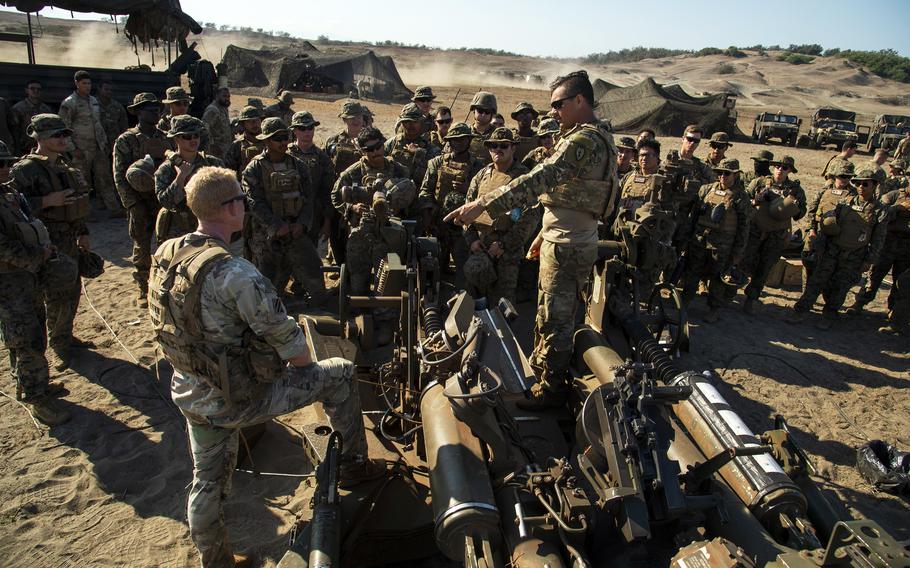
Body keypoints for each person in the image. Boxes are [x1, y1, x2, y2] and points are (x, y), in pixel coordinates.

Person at [149, 166, 383, 568]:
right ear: (229, 209)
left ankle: (216, 560)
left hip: (190, 392)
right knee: (341, 371)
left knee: (206, 483)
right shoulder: (237, 274)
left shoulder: (168, 252)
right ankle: (354, 466)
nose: (245, 205)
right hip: (238, 399)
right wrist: (302, 366)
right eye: (241, 199)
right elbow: (295, 349)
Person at [445, 70, 617, 409]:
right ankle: (549, 375)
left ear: (580, 100)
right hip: (564, 237)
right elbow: (570, 197)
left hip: (568, 244)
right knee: (553, 311)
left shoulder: (584, 140)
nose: (552, 111)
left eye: (558, 103)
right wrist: (541, 233)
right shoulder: (595, 135)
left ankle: (550, 392)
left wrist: (484, 204)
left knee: (555, 317)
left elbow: (544, 178)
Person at [0, 141, 76, 425]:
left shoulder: (9, 193)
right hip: (8, 282)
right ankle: (36, 398)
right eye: (1, 164)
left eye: (8, 162)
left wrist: (45, 250)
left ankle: (33, 383)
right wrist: (36, 255)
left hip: (27, 277)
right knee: (25, 337)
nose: (7, 168)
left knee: (33, 330)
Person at [9, 114, 93, 370]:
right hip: (45, 241)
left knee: (72, 289)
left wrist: (83, 231)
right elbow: (14, 210)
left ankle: (64, 336)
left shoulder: (65, 166)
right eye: (57, 135)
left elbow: (77, 203)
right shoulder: (24, 170)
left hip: (69, 236)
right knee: (53, 294)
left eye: (64, 134)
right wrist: (46, 201)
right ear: (40, 138)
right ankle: (56, 344)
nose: (62, 139)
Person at [788, 166, 889, 329]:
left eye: (866, 184)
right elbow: (828, 224)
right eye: (858, 184)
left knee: (840, 286)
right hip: (833, 249)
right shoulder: (844, 203)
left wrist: (869, 260)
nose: (861, 188)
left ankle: (829, 314)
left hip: (855, 255)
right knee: (817, 280)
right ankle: (801, 310)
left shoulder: (879, 211)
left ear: (875, 185)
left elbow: (879, 238)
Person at [241, 118, 328, 305]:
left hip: (295, 231)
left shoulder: (299, 166)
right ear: (266, 141)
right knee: (266, 283)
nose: (283, 142)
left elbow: (308, 200)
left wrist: (302, 225)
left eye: (285, 137)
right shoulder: (254, 169)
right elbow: (254, 202)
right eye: (277, 138)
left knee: (313, 272)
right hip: (266, 234)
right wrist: (275, 225)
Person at [332, 127, 411, 294]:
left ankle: (386, 311)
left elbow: (410, 196)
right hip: (361, 232)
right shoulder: (352, 172)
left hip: (391, 232)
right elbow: (335, 195)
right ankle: (359, 306)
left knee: (389, 280)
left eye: (378, 146)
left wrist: (396, 205)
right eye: (370, 149)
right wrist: (352, 207)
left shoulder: (399, 169)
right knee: (358, 280)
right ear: (362, 151)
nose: (376, 152)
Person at [112, 93, 173, 307]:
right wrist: (131, 204)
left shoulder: (166, 138)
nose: (155, 113)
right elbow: (119, 175)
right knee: (142, 245)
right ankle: (143, 288)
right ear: (138, 112)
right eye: (149, 110)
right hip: (140, 201)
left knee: (167, 244)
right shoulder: (127, 140)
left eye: (157, 109)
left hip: (163, 200)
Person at [462, 128, 534, 304]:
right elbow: (466, 210)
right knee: (474, 303)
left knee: (502, 306)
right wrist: (472, 240)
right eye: (494, 146)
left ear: (513, 149)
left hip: (506, 255)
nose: (498, 149)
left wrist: (504, 245)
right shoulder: (481, 176)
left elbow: (529, 219)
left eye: (504, 146)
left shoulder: (523, 178)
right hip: (479, 250)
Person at [681, 158, 751, 322]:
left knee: (718, 278)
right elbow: (694, 216)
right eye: (720, 173)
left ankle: (714, 308)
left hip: (722, 246)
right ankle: (685, 302)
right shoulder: (706, 190)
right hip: (700, 241)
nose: (723, 177)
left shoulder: (740, 198)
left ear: (735, 175)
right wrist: (687, 239)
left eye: (727, 174)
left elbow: (744, 228)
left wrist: (738, 252)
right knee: (692, 272)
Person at [417, 122, 483, 286]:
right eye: (454, 140)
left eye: (462, 139)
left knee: (463, 269)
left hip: (464, 226)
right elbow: (425, 192)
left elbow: (484, 198)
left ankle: (460, 302)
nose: (458, 143)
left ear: (469, 140)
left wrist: (468, 189)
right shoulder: (436, 163)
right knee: (434, 268)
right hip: (439, 223)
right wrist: (428, 218)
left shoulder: (478, 167)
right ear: (449, 141)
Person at [740, 155, 806, 314]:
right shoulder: (760, 182)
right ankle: (730, 293)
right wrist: (755, 200)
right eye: (777, 166)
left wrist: (793, 206)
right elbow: (743, 200)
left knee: (764, 268)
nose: (780, 170)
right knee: (743, 262)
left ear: (790, 170)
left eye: (784, 168)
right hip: (755, 231)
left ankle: (751, 298)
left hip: (776, 235)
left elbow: (800, 214)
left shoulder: (795, 190)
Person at [58, 70, 124, 216]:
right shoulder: (70, 103)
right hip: (81, 148)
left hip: (98, 146)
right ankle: (85, 213)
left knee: (105, 177)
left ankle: (114, 209)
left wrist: (103, 143)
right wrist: (72, 148)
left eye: (89, 83)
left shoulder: (93, 101)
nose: (87, 86)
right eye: (84, 83)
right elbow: (64, 127)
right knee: (82, 182)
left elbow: (98, 124)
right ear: (76, 84)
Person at [848, 169, 908, 316]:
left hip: (907, 250)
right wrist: (898, 208)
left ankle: (893, 310)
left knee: (900, 281)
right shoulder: (894, 195)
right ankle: (859, 303)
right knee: (874, 277)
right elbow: (879, 212)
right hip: (887, 244)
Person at [155, 116, 225, 241]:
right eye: (187, 137)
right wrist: (180, 177)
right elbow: (166, 202)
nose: (193, 140)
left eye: (196, 135)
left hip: (209, 229)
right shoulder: (166, 169)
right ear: (176, 138)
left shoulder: (213, 163)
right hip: (178, 233)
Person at [288, 111, 338, 253]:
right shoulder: (285, 154)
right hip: (286, 217)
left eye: (310, 128)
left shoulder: (322, 158)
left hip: (313, 218)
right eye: (302, 129)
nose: (307, 132)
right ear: (295, 130)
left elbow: (328, 192)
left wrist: (327, 222)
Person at [802, 161, 855, 279]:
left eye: (848, 177)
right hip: (818, 232)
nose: (845, 179)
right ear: (835, 176)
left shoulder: (853, 194)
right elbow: (812, 210)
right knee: (809, 264)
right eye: (842, 176)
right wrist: (811, 229)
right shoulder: (824, 190)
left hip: (838, 236)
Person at [385, 103, 436, 186]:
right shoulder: (391, 144)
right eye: (407, 122)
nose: (411, 125)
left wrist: (419, 153)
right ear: (401, 123)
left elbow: (434, 172)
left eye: (415, 122)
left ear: (421, 123)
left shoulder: (430, 148)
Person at [11, 79, 52, 154]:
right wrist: (17, 149)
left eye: (38, 89)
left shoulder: (46, 109)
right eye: (32, 88)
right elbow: (15, 130)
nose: (36, 91)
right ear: (27, 90)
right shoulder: (18, 108)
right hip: (24, 149)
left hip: (42, 148)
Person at [324, 100, 364, 175]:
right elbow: (324, 163)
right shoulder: (333, 141)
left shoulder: (371, 139)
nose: (356, 121)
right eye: (352, 118)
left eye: (358, 117)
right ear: (344, 120)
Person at [223, 106, 264, 177]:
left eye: (256, 120)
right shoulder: (237, 145)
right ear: (243, 124)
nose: (254, 124)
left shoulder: (269, 141)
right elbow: (228, 170)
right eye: (249, 121)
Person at [96, 80, 128, 156]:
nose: (109, 92)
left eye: (111, 90)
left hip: (114, 145)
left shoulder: (118, 107)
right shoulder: (93, 105)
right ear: (99, 89)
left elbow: (124, 126)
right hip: (98, 145)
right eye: (106, 89)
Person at [202, 86, 232, 160]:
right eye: (224, 96)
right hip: (216, 151)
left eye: (228, 96)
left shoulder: (223, 109)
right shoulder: (212, 110)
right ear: (217, 96)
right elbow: (204, 128)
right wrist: (212, 146)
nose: (227, 98)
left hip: (225, 149)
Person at [468, 91, 498, 165]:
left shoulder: (498, 135)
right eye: (480, 111)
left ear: (492, 114)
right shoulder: (464, 132)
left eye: (487, 111)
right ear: (474, 111)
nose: (483, 114)